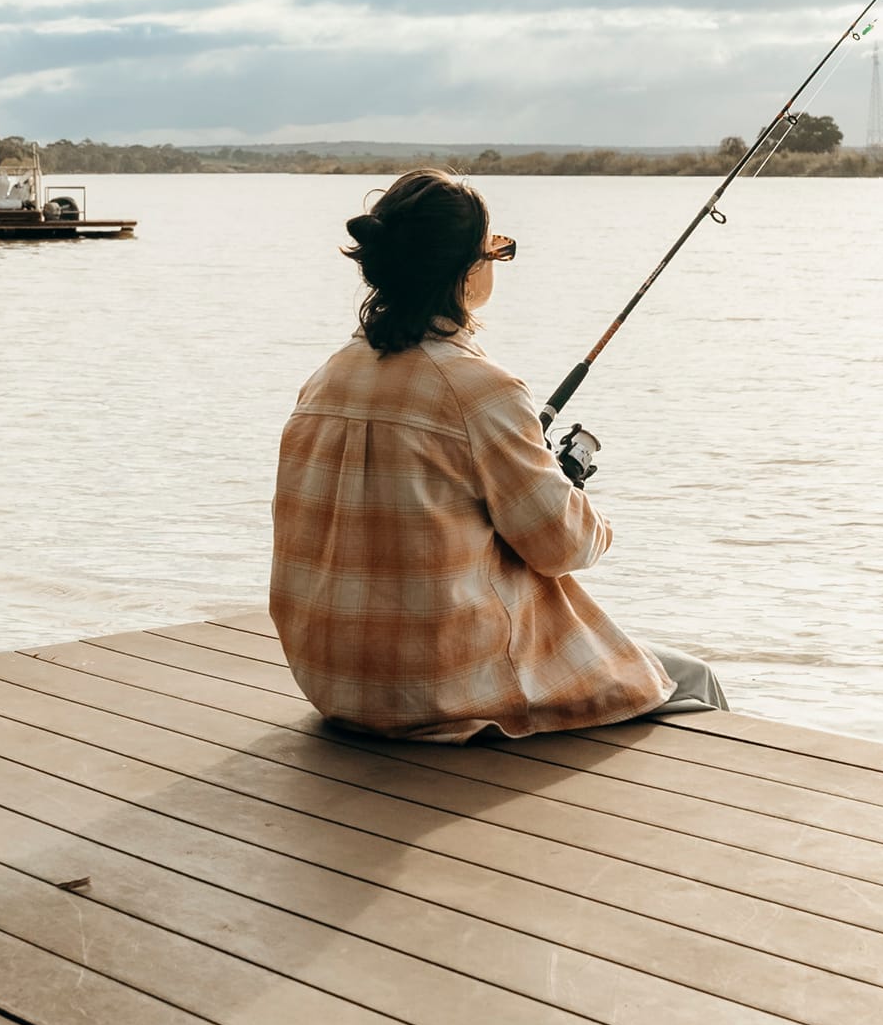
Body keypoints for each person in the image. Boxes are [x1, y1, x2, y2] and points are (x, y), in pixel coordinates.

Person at [270, 167, 728, 741]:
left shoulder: (326, 378)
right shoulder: (482, 390)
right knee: (695, 678)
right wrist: (571, 492)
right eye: (495, 251)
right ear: (468, 271)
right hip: (437, 686)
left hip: (334, 681)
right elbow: (565, 547)